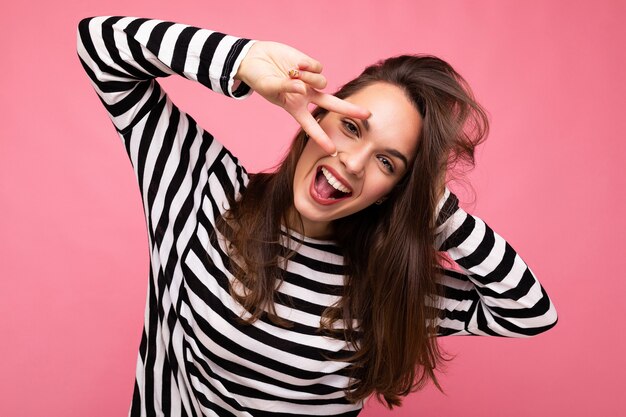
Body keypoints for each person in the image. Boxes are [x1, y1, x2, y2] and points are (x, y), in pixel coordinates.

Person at [76, 15, 557, 417]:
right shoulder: (202, 190)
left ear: (395, 191)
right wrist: (242, 61)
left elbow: (530, 313)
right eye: (351, 127)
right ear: (315, 117)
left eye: (386, 162)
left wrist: (433, 205)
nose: (352, 162)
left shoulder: (390, 281)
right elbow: (100, 45)